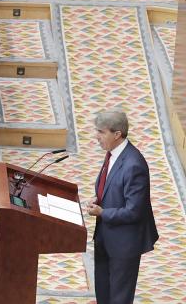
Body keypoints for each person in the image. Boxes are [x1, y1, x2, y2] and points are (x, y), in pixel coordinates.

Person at [85, 111, 158, 304]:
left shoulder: (134, 165)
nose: (97, 136)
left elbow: (134, 211)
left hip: (124, 244)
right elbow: (110, 186)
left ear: (117, 134)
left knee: (119, 298)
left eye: (101, 132)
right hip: (104, 237)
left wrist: (102, 212)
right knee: (103, 292)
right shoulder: (112, 154)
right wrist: (98, 198)